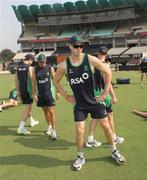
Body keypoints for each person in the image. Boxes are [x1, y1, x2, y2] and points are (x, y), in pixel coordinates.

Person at [53, 35, 125, 171]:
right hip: (79, 104)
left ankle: (114, 151)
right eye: (76, 46)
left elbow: (108, 72)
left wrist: (105, 93)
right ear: (70, 46)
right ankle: (80, 156)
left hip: (94, 101)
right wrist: (66, 96)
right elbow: (55, 80)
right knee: (80, 131)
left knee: (107, 127)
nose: (79, 48)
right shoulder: (64, 65)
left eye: (81, 46)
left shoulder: (90, 59)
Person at [85, 46, 124, 148]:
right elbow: (108, 83)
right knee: (101, 117)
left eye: (104, 53)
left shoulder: (93, 64)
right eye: (101, 53)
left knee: (99, 117)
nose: (102, 55)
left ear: (105, 54)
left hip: (97, 93)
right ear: (98, 53)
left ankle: (91, 139)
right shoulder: (102, 65)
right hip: (101, 94)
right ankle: (111, 138)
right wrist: (113, 96)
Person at [32, 54, 59, 140]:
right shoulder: (35, 69)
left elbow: (55, 81)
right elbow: (33, 82)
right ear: (38, 62)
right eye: (41, 62)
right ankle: (49, 126)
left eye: (44, 62)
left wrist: (58, 92)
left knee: (51, 112)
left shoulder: (50, 68)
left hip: (49, 94)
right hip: (41, 95)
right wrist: (34, 94)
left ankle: (54, 131)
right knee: (45, 112)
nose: (43, 64)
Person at [15, 54, 39, 135]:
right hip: (28, 91)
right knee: (28, 107)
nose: (32, 63)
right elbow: (32, 81)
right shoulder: (29, 68)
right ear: (30, 59)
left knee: (29, 106)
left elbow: (16, 80)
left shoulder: (18, 68)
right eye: (32, 61)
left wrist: (18, 91)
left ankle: (31, 121)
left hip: (22, 90)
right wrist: (34, 93)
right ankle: (21, 127)